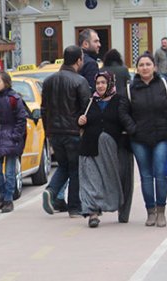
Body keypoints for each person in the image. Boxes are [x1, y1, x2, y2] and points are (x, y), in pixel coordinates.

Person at [77, 71, 135, 228]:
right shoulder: (90, 101)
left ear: (110, 83)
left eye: (103, 82)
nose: (100, 86)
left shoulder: (120, 101)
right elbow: (79, 120)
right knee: (90, 181)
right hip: (89, 148)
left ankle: (121, 210)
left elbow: (125, 120)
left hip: (113, 151)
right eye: (98, 83)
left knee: (116, 181)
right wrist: (80, 121)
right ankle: (92, 213)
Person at [41, 45, 92, 218]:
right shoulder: (80, 81)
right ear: (79, 60)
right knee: (75, 169)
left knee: (63, 166)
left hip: (54, 132)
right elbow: (86, 109)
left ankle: (51, 190)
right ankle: (74, 208)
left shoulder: (48, 81)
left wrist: (47, 131)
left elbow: (43, 109)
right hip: (73, 132)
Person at [126, 52, 167, 227]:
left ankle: (161, 211)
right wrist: (133, 129)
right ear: (136, 69)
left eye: (148, 64)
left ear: (154, 66)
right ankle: (151, 211)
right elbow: (124, 112)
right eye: (141, 65)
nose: (145, 67)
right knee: (146, 176)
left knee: (160, 174)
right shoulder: (130, 88)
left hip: (162, 136)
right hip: (139, 139)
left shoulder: (164, 84)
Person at [0, 71, 27, 213]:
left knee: (9, 171)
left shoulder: (14, 98)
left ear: (6, 83)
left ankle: (8, 199)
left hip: (11, 138)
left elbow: (21, 119)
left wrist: (16, 135)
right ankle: (2, 196)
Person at [100, 48, 135, 222]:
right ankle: (124, 212)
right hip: (123, 125)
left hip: (106, 125)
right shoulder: (124, 70)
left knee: (105, 167)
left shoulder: (101, 71)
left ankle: (103, 204)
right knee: (126, 169)